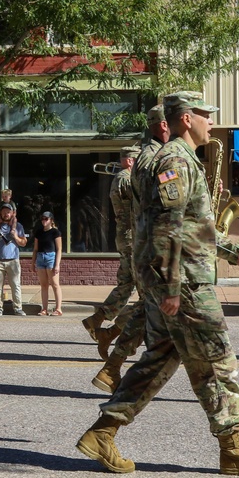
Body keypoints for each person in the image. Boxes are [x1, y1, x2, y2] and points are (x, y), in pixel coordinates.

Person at [76, 91, 239, 477]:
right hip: (184, 280)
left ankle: (103, 433)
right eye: (206, 116)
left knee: (160, 358)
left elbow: (191, 224)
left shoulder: (175, 158)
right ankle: (233, 448)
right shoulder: (174, 160)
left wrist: (229, 249)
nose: (211, 122)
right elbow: (167, 226)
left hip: (176, 274)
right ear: (186, 118)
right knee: (218, 359)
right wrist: (171, 285)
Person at [92, 106, 169, 392]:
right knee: (147, 300)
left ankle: (110, 346)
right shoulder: (140, 169)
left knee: (145, 303)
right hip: (145, 240)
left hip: (144, 239)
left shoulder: (150, 161)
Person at [81, 147, 140, 346]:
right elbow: (141, 203)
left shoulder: (122, 178)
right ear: (131, 162)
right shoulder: (125, 179)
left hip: (127, 236)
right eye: (139, 160)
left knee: (126, 285)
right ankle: (118, 332)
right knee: (146, 291)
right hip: (132, 237)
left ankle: (97, 319)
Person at [0, 203, 27, 316]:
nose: (6, 214)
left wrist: (15, 236)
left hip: (13, 261)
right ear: (0, 213)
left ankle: (18, 308)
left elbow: (24, 243)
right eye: (4, 211)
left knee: (15, 285)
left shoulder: (18, 226)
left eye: (8, 212)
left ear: (12, 213)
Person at [32, 211, 63, 315]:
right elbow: (35, 249)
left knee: (54, 284)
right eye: (42, 219)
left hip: (51, 257)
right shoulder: (39, 232)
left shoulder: (55, 232)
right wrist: (32, 263)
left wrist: (57, 264)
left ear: (51, 220)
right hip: (40, 257)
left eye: (46, 219)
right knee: (44, 285)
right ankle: (44, 309)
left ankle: (58, 309)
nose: (44, 221)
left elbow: (59, 249)